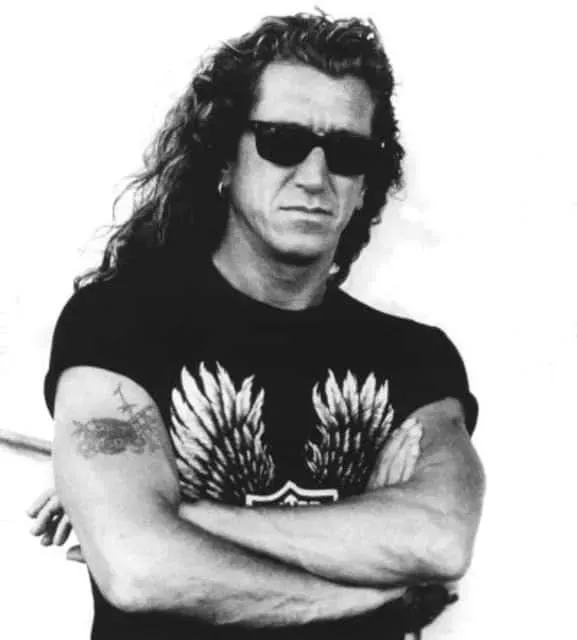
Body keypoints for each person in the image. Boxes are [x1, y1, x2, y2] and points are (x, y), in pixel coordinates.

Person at [26, 11, 485, 640]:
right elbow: (139, 567)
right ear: (223, 158)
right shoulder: (118, 325)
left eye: (348, 152)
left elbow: (438, 538)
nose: (315, 178)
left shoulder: (414, 357)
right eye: (281, 142)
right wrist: (377, 596)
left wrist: (180, 515)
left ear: (365, 185)